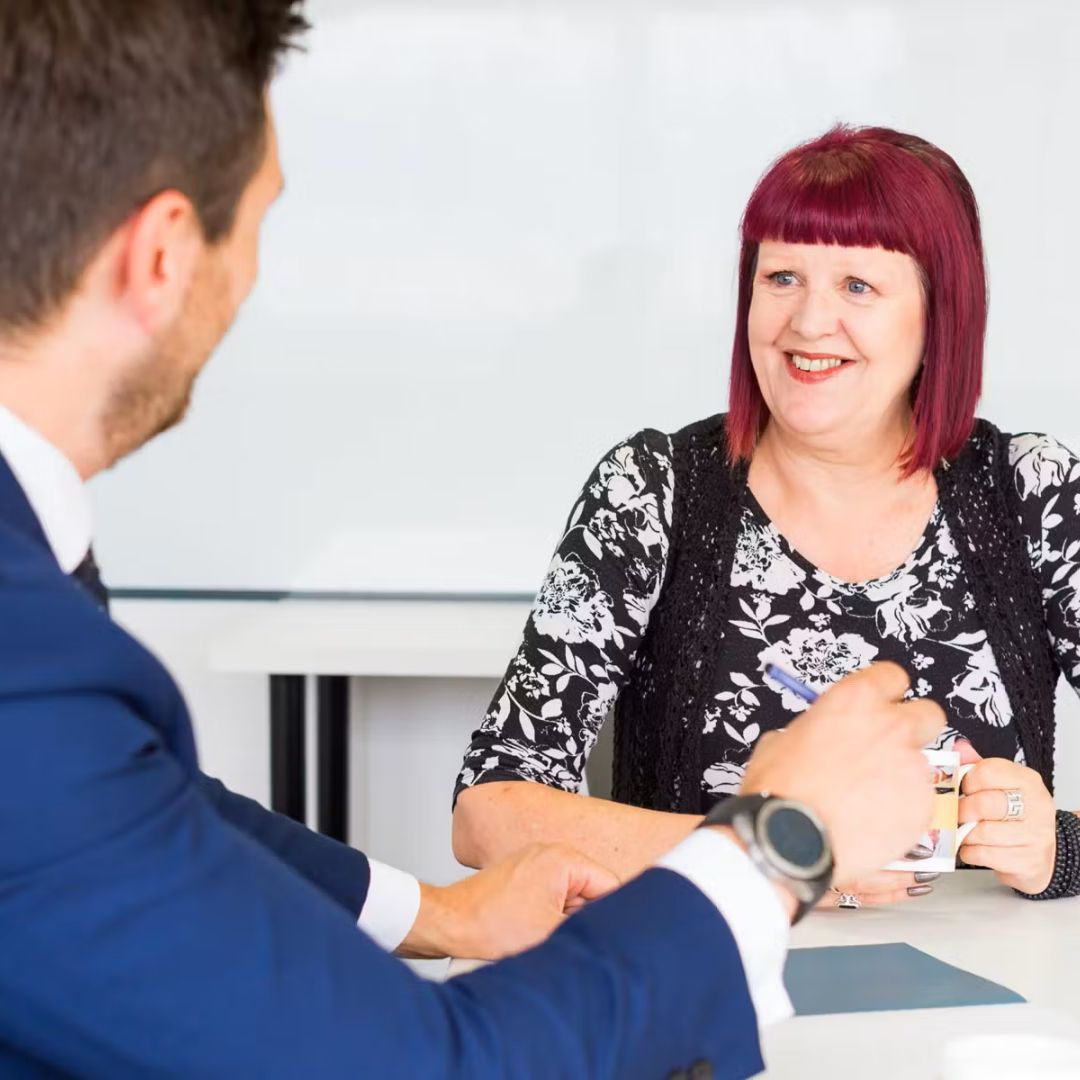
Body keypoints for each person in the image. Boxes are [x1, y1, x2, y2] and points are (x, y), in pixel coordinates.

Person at [0, 3, 946, 1077]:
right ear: (164, 253)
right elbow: (440, 1064)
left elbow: (142, 812)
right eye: (259, 223)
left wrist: (438, 914)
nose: (810, 321)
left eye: (860, 285)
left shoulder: (35, 626)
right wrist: (785, 835)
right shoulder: (25, 668)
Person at [454, 124, 1080, 909]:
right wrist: (778, 854)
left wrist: (1064, 846)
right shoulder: (652, 491)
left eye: (858, 286)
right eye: (782, 277)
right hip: (704, 982)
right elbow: (486, 812)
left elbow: (1061, 846)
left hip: (989, 1012)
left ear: (940, 314)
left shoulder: (1034, 491)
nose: (808, 322)